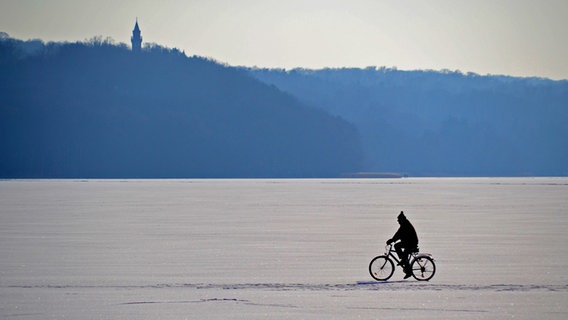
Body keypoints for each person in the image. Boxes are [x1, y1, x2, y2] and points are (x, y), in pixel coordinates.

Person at [386, 211, 419, 279]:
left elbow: (399, 234)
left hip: (411, 243)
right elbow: (398, 233)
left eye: (398, 220)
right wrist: (392, 239)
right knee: (404, 255)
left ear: (401, 219)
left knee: (397, 246)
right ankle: (407, 269)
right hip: (409, 242)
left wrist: (392, 240)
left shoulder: (405, 225)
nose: (398, 221)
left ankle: (404, 262)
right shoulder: (404, 224)